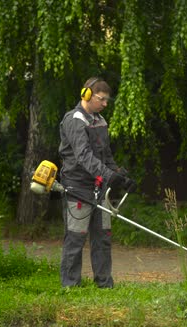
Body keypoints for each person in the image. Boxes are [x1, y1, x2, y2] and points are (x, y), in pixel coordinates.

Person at [58, 77, 135, 288]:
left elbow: (106, 157)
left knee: (102, 237)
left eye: (106, 100)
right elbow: (83, 157)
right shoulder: (74, 120)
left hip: (99, 188)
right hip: (78, 187)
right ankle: (70, 285)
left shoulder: (100, 121)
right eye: (101, 99)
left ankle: (104, 283)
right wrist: (108, 175)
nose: (105, 104)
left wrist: (120, 176)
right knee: (76, 237)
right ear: (87, 95)